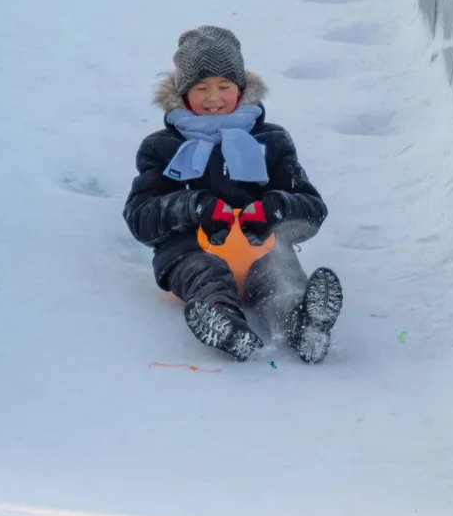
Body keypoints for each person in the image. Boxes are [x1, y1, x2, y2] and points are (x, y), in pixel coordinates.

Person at [123, 26, 343, 363]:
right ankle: (225, 325)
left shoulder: (271, 141)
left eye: (224, 87)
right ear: (183, 94)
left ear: (241, 90)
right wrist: (194, 207)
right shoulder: (162, 147)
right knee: (207, 275)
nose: (213, 99)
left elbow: (313, 208)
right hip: (191, 251)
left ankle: (303, 323)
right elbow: (141, 216)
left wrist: (276, 209)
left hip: (261, 249)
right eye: (201, 88)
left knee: (276, 278)